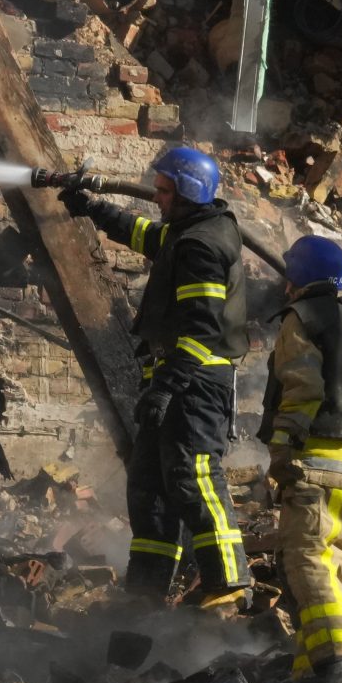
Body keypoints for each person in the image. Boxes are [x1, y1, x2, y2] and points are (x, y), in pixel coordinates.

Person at [58, 146, 250, 605]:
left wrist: (166, 387)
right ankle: (145, 591)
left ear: (187, 193)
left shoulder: (202, 247)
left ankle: (229, 582)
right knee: (149, 488)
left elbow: (202, 329)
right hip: (179, 377)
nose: (157, 198)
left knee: (192, 475)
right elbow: (143, 234)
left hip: (196, 381)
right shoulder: (187, 232)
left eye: (165, 191)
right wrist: (91, 208)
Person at [258, 235, 342, 683]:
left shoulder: (301, 317)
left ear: (297, 277)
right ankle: (309, 670)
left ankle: (336, 667)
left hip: (316, 456)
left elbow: (302, 386)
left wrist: (283, 450)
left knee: (308, 560)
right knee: (331, 565)